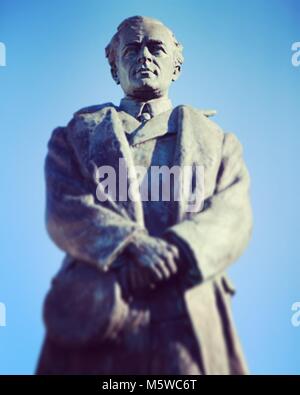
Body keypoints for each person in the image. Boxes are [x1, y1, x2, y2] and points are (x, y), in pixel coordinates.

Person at [36, 15, 253, 375]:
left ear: (176, 65)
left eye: (156, 48)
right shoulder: (76, 136)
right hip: (99, 307)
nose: (144, 57)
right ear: (114, 67)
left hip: (187, 311)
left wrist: (179, 249)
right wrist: (132, 245)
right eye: (132, 49)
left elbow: (233, 212)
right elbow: (65, 208)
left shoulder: (217, 141)